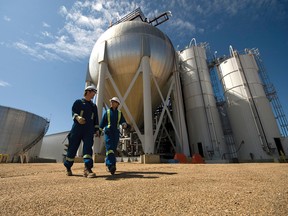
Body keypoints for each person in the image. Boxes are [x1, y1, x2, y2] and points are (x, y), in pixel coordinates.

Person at [64, 86, 99, 178]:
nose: (94, 94)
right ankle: (68, 167)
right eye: (93, 92)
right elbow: (73, 111)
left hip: (88, 130)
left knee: (88, 148)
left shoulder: (93, 106)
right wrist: (77, 117)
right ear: (88, 91)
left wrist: (96, 130)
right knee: (72, 149)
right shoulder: (78, 102)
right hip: (77, 128)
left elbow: (96, 120)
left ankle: (87, 169)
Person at [99, 97, 127, 175]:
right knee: (110, 148)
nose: (111, 102)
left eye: (113, 101)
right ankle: (111, 165)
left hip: (116, 132)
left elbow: (122, 121)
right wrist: (99, 130)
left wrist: (124, 124)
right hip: (108, 132)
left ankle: (111, 165)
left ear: (117, 104)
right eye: (111, 101)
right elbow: (102, 122)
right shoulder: (107, 112)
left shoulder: (119, 113)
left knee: (113, 149)